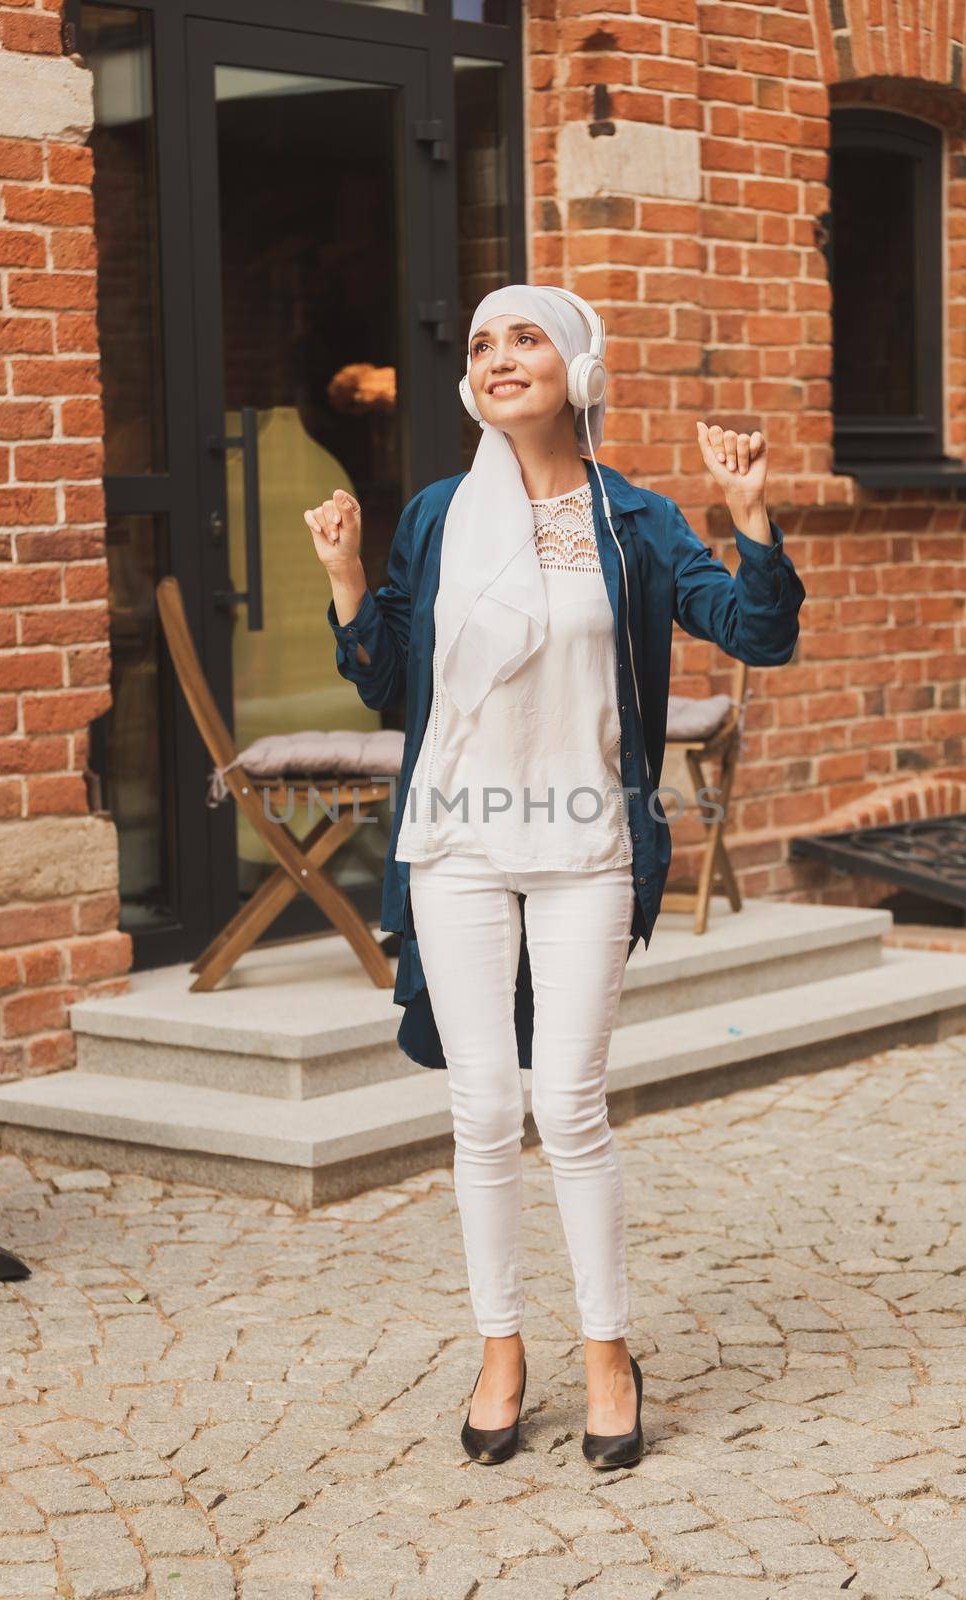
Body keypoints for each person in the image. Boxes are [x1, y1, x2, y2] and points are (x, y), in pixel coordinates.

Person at [306, 284, 805, 1470]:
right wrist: (341, 574)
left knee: (567, 1107)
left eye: (524, 336)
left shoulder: (632, 518)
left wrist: (750, 518)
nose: (497, 357)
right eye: (482, 343)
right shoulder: (434, 516)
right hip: (459, 845)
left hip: (587, 845)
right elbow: (381, 676)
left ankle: (604, 1349)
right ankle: (498, 1347)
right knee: (481, 1108)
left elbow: (755, 631)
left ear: (579, 364)